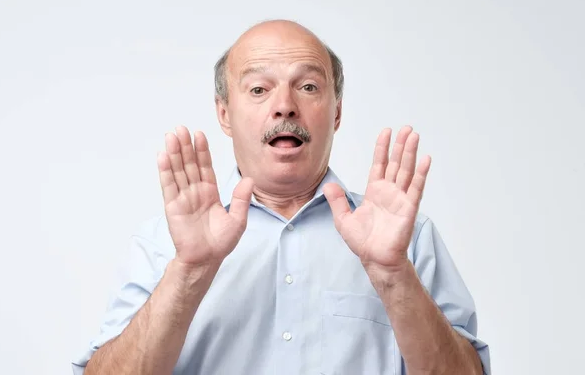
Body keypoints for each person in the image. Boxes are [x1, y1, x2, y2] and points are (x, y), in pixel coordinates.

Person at [72, 19, 491, 375]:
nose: (285, 106)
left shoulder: (406, 240)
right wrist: (189, 272)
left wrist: (393, 274)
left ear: (337, 111)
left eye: (308, 86)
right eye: (258, 90)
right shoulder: (165, 242)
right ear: (224, 113)